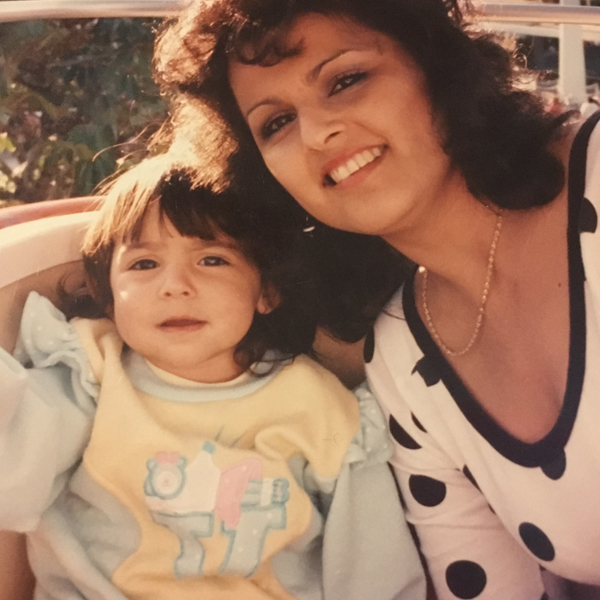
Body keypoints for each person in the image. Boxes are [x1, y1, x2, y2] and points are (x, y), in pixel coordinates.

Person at [153, 0, 600, 598]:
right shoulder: (403, 360)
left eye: (346, 80)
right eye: (277, 123)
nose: (317, 134)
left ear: (436, 65)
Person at [0, 155, 425, 599]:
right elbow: (12, 474)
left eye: (211, 259)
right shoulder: (93, 370)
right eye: (144, 264)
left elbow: (374, 569)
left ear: (266, 292)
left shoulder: (319, 407)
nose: (175, 285)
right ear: (108, 296)